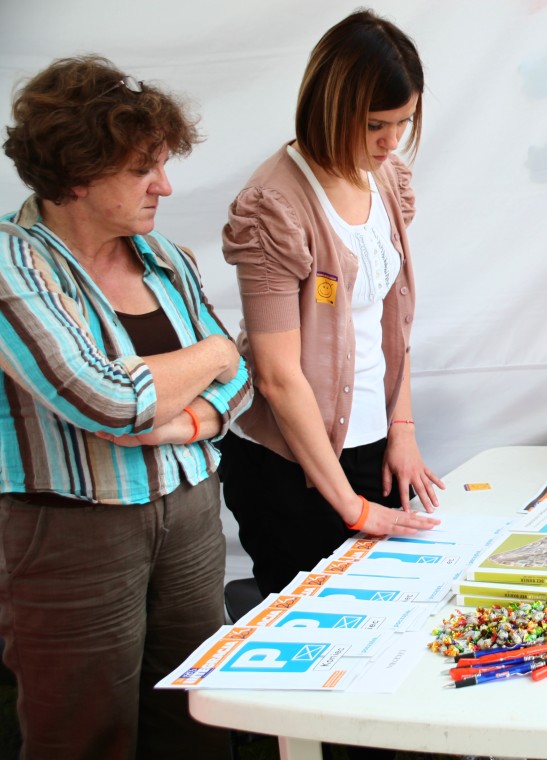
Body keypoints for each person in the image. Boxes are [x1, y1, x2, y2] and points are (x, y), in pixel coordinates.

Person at [0, 56, 253, 759]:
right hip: (74, 534)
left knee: (196, 711)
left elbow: (240, 384)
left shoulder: (164, 256)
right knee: (83, 733)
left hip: (192, 511)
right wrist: (213, 355)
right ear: (77, 172)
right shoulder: (13, 264)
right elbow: (108, 400)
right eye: (145, 169)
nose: (165, 187)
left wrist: (191, 417)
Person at [220, 9, 442, 601]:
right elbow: (276, 374)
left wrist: (402, 425)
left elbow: (393, 326)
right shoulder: (274, 204)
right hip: (292, 469)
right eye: (375, 124)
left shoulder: (387, 177)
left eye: (404, 121)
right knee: (310, 638)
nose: (391, 141)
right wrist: (349, 504)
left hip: (372, 444)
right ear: (331, 106)